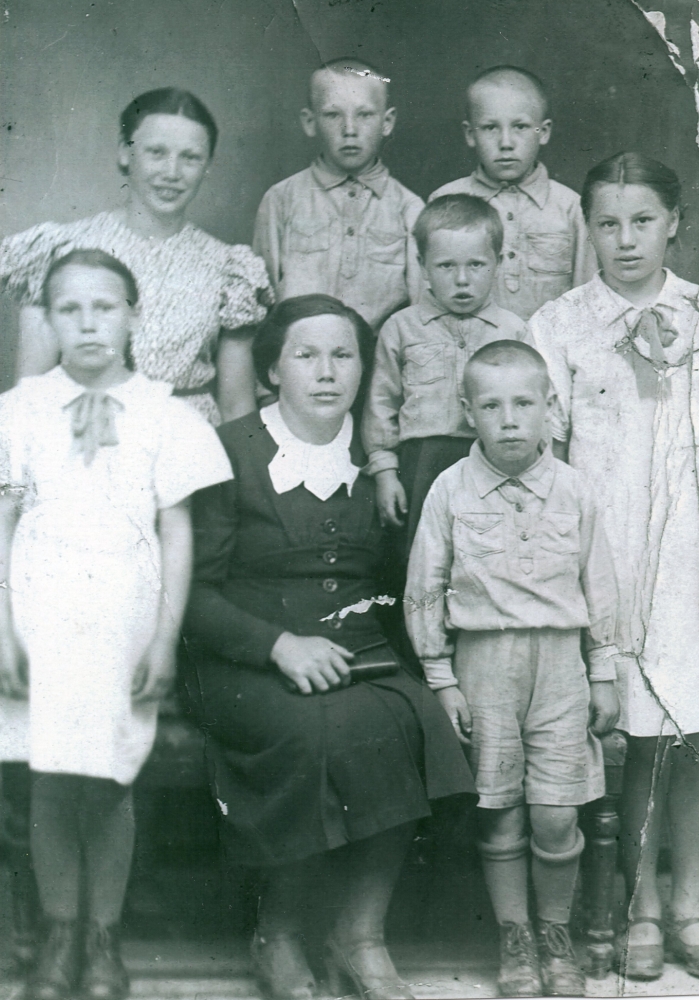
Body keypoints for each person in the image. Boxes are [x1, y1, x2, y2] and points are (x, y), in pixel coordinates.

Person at [182, 294, 474, 1000]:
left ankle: (359, 934)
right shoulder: (227, 452)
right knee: (318, 728)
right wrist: (278, 644)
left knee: (412, 720)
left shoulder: (380, 460)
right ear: (272, 370)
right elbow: (188, 593)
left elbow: (402, 576)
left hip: (361, 646)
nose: (326, 372)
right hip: (244, 658)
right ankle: (278, 932)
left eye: (343, 355)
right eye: (305, 355)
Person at [0, 249, 233, 1000]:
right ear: (48, 320)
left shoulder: (164, 415)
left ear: (134, 315)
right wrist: (1, 632)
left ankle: (103, 938)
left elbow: (176, 534)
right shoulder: (20, 410)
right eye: (70, 309)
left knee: (108, 783)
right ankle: (57, 935)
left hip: (121, 619)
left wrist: (163, 639)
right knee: (49, 780)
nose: (89, 323)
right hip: (38, 613)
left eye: (105, 307)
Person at [405, 341, 620, 998]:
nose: (508, 421)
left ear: (549, 408)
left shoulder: (574, 488)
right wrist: (440, 677)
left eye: (523, 403)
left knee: (556, 813)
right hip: (483, 665)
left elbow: (599, 580)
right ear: (467, 411)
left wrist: (603, 666)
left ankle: (555, 934)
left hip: (559, 665)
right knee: (499, 812)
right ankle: (515, 939)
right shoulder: (449, 488)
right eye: (490, 406)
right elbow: (423, 586)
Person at [530, 152, 699, 982]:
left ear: (674, 222)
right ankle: (637, 908)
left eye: (642, 220)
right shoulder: (558, 325)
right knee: (632, 731)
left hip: (688, 557)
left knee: (690, 729)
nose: (624, 238)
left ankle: (689, 900)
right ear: (585, 228)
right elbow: (547, 462)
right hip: (604, 558)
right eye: (606, 222)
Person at [0, 87, 272, 424]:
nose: (172, 172)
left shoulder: (230, 268)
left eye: (190, 157)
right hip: (87, 443)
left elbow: (236, 407)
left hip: (190, 453)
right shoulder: (62, 249)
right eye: (156, 152)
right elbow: (32, 390)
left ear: (207, 166)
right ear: (125, 153)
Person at [362, 194, 530, 552]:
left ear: (498, 262)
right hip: (421, 465)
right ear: (422, 265)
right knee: (421, 556)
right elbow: (381, 404)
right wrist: (385, 471)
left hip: (492, 463)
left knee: (487, 556)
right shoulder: (401, 328)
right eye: (446, 266)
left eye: (477, 265)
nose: (462, 280)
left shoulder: (514, 331)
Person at [252, 59, 424, 331]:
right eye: (333, 115)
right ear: (310, 122)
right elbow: (262, 302)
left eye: (365, 115)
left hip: (379, 363)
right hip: (300, 358)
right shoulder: (281, 200)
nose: (350, 130)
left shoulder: (409, 207)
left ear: (387, 122)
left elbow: (419, 308)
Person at [429, 66, 596, 320]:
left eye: (520, 126)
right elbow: (428, 303)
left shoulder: (571, 207)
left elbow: (586, 301)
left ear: (544, 132)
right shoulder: (444, 202)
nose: (506, 142)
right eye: (490, 128)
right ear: (470, 134)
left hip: (546, 356)